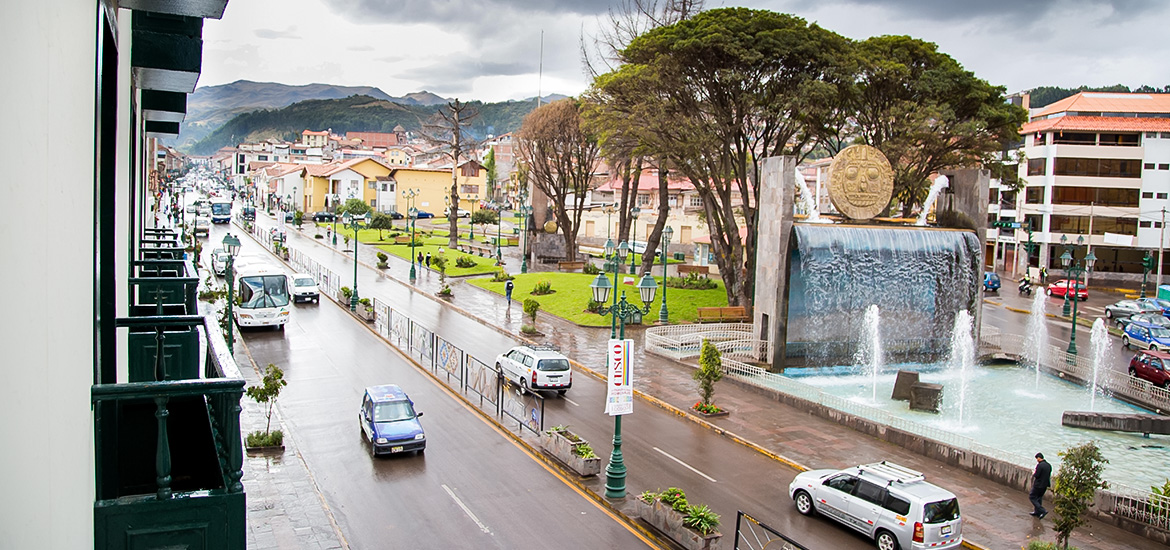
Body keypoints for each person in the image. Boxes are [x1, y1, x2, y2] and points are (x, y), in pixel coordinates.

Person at [1029, 452, 1051, 518]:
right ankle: (1037, 512)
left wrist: (1033, 473)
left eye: (1037, 459)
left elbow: (1037, 475)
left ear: (1039, 458)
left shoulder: (1040, 465)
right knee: (1039, 498)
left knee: (1032, 497)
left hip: (1038, 485)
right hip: (1045, 485)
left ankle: (1042, 510)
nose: (1037, 460)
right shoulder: (1048, 465)